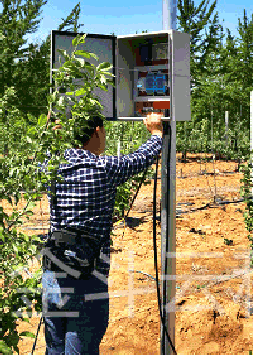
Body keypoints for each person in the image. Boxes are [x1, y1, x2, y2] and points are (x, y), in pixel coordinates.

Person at [41, 111, 164, 354]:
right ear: (97, 131)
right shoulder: (103, 168)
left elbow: (45, 150)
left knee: (54, 349)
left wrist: (52, 131)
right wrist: (157, 133)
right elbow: (142, 157)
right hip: (88, 281)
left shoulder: (50, 166)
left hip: (52, 276)